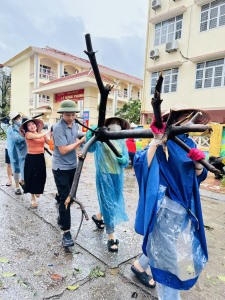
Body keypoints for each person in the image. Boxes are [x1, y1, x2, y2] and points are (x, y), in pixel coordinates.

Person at [132, 108, 210, 299]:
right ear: (173, 120)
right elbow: (142, 164)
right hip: (162, 211)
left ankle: (139, 265)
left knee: (164, 248)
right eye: (186, 119)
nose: (190, 123)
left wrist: (199, 164)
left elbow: (196, 178)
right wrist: (156, 142)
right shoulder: (162, 142)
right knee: (170, 263)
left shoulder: (188, 143)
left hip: (184, 211)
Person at [86, 117, 130, 252]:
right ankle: (111, 236)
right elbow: (91, 149)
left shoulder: (122, 141)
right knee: (109, 204)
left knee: (113, 201)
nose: (115, 126)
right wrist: (90, 135)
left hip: (117, 176)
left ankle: (98, 216)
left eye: (118, 124)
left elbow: (126, 161)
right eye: (112, 123)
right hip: (104, 175)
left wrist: (124, 160)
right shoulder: (101, 139)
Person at [52, 100, 86, 248]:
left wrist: (88, 134)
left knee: (69, 196)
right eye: (67, 114)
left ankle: (60, 210)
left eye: (73, 114)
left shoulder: (75, 124)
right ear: (61, 114)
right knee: (66, 198)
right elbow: (64, 150)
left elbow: (77, 134)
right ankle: (66, 232)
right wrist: (81, 142)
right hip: (61, 168)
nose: (71, 117)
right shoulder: (57, 128)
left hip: (73, 166)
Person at [19, 118, 50, 208]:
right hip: (31, 158)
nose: (31, 126)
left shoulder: (41, 134)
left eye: (33, 124)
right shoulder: (28, 134)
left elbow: (50, 143)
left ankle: (37, 190)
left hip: (40, 157)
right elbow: (37, 137)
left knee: (41, 176)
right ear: (27, 129)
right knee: (32, 177)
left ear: (36, 125)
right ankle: (33, 198)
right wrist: (48, 130)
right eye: (29, 125)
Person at [7, 111, 27, 195]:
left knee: (24, 166)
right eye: (16, 118)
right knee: (15, 168)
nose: (19, 119)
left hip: (23, 151)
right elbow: (17, 139)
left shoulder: (23, 126)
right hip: (14, 151)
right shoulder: (11, 128)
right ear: (13, 120)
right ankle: (17, 187)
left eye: (19, 117)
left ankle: (23, 181)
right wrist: (26, 135)